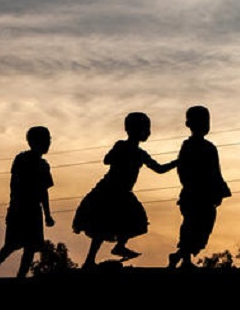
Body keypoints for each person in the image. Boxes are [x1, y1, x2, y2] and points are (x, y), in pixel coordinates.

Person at [73, 112, 176, 267]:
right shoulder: (122, 146)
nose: (148, 132)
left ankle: (117, 247)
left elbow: (159, 169)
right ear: (134, 130)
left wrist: (178, 161)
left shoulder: (141, 154)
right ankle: (92, 259)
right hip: (108, 190)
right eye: (146, 128)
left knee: (129, 221)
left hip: (122, 193)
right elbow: (107, 160)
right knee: (104, 225)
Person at [0, 126, 55, 280]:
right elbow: (15, 184)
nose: (49, 143)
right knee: (12, 244)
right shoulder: (22, 159)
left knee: (30, 247)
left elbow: (43, 192)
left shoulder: (43, 165)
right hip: (21, 207)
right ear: (34, 142)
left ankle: (20, 275)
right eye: (46, 140)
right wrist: (17, 203)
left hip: (33, 209)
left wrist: (47, 214)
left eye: (49, 140)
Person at [168, 106, 231, 269]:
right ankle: (185, 260)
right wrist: (191, 186)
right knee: (191, 226)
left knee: (202, 229)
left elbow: (215, 172)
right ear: (190, 124)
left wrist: (218, 192)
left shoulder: (210, 147)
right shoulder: (189, 146)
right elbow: (183, 170)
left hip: (206, 196)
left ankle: (178, 256)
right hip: (193, 195)